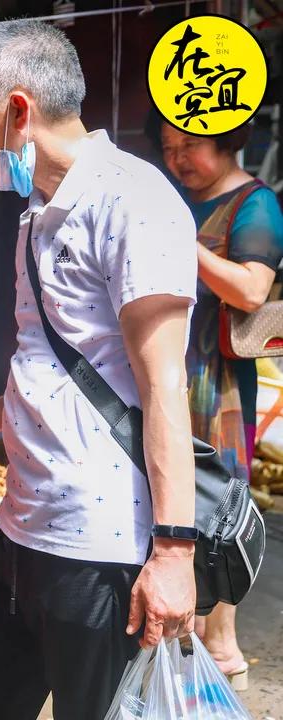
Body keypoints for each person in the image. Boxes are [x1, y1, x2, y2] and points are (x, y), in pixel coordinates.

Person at [0, 20, 200, 719]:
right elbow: (55, 372)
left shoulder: (133, 202)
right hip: (22, 526)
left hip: (102, 542)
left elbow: (163, 387)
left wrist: (175, 553)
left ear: (18, 111)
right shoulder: (40, 212)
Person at [154, 119, 283, 690]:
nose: (177, 159)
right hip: (173, 367)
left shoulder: (256, 205)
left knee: (215, 503)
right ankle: (202, 647)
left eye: (190, 147)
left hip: (219, 378)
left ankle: (218, 648)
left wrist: (183, 246)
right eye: (168, 148)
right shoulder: (173, 196)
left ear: (227, 142)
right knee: (175, 499)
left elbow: (252, 290)